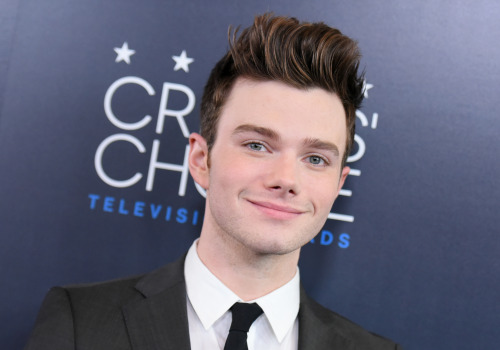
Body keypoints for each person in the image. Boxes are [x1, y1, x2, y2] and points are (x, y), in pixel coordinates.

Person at [25, 13, 401, 350]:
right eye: (257, 145)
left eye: (316, 158)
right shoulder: (79, 323)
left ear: (338, 184)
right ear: (201, 160)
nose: (287, 179)